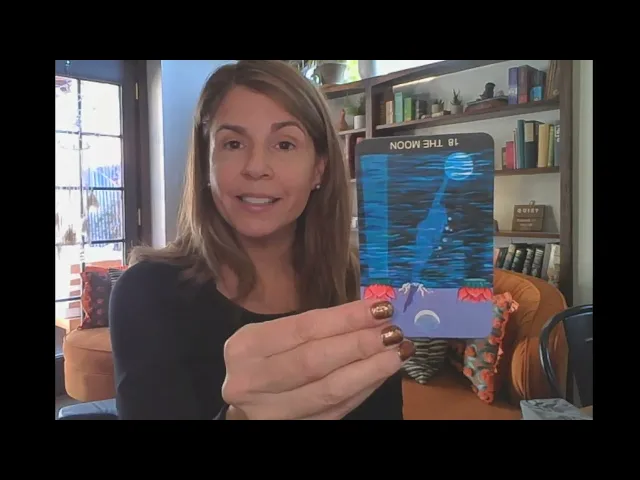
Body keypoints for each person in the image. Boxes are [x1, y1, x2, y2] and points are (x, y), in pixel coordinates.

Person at [109, 60, 416, 420]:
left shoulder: (366, 290)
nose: (256, 167)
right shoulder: (146, 293)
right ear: (207, 164)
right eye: (233, 143)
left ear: (319, 168)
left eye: (284, 144)